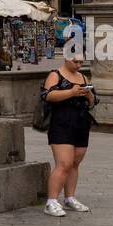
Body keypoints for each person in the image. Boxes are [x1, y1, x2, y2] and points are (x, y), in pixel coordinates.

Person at [42, 60, 96, 216]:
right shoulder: (55, 75)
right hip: (61, 123)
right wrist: (71, 92)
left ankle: (69, 198)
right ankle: (51, 202)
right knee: (64, 163)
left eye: (81, 62)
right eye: (75, 61)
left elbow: (93, 103)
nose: (79, 65)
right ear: (66, 58)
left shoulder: (84, 78)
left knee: (74, 163)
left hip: (81, 124)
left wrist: (89, 94)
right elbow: (47, 95)